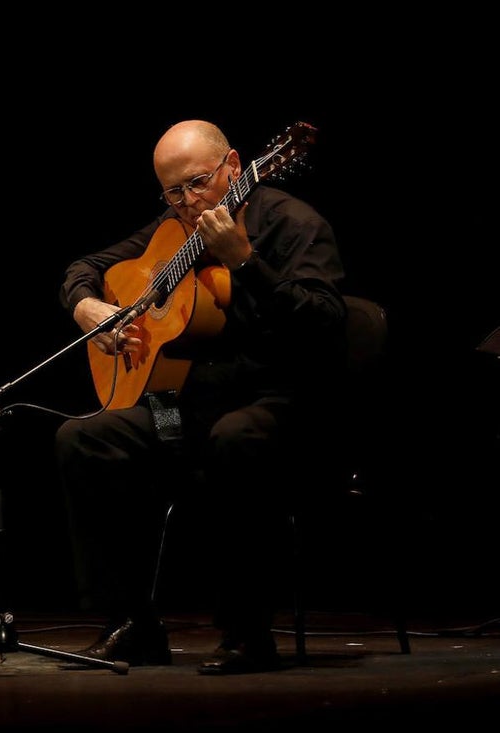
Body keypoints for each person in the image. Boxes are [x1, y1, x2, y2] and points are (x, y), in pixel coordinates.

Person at [54, 119, 347, 675]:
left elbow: (326, 322)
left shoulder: (293, 223)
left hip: (280, 402)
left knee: (235, 438)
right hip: (192, 403)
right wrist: (86, 305)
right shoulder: (176, 229)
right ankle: (133, 625)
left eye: (197, 183)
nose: (187, 202)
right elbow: (86, 268)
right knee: (85, 437)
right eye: (173, 191)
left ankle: (247, 633)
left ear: (234, 166)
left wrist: (245, 263)